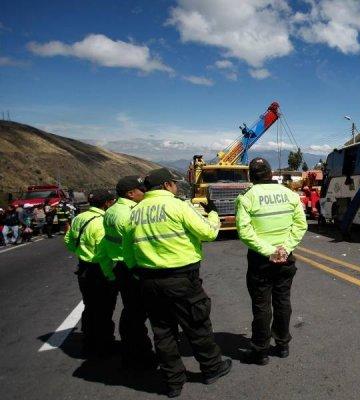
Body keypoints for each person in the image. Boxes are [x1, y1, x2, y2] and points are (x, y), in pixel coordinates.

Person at [123, 168, 231, 397]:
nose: (175, 187)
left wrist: (138, 272)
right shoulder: (178, 206)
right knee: (197, 324)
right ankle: (212, 368)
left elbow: (128, 251)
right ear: (166, 186)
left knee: (163, 331)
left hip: (149, 280)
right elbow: (208, 233)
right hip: (182, 279)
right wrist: (212, 214)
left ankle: (173, 382)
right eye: (173, 183)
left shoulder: (135, 212)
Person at [235, 158, 308, 365]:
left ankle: (260, 351)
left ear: (251, 176)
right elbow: (300, 225)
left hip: (261, 261)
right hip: (285, 258)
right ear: (271, 173)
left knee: (261, 305)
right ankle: (283, 345)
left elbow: (245, 232)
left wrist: (269, 251)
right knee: (282, 301)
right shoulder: (290, 194)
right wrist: (284, 248)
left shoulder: (247, 198)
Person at [103, 175, 155, 369]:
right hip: (131, 267)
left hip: (119, 266)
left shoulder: (111, 211)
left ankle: (133, 352)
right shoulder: (129, 214)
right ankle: (139, 356)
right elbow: (134, 244)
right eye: (141, 190)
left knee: (131, 312)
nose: (145, 192)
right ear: (131, 193)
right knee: (136, 315)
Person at [64, 189, 117, 357]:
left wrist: (81, 252)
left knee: (90, 306)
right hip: (99, 271)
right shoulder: (102, 222)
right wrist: (110, 275)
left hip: (83, 269)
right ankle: (104, 345)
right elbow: (103, 253)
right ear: (108, 203)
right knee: (104, 310)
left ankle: (89, 341)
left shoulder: (79, 218)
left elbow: (68, 240)